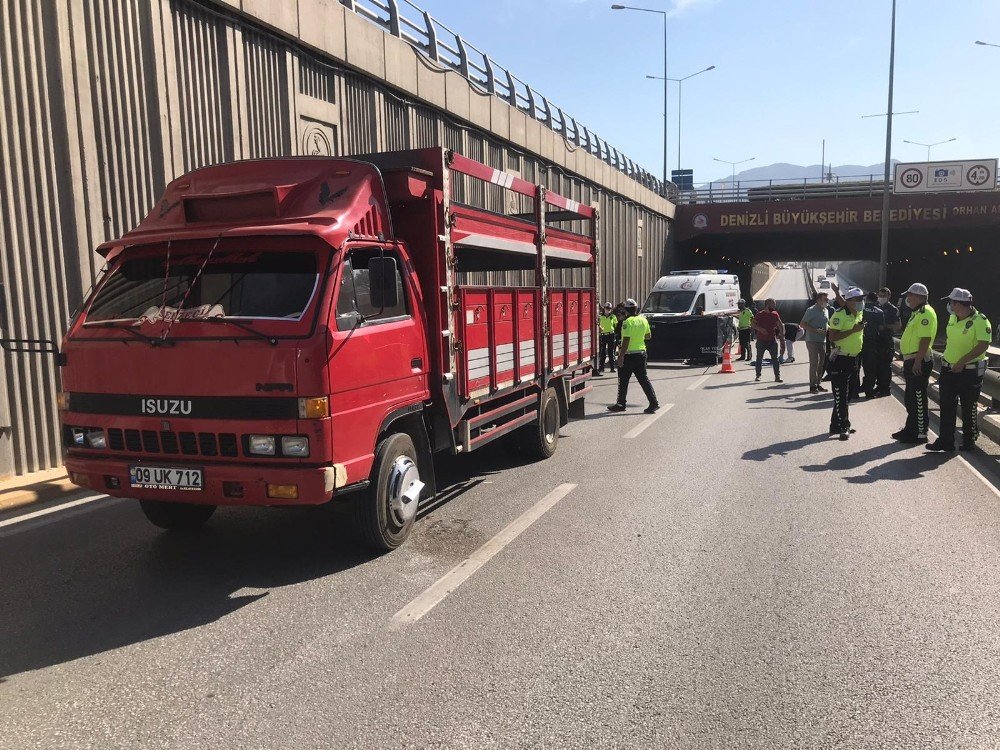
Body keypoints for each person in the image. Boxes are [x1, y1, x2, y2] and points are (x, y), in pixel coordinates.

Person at [927, 288, 992, 452]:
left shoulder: (980, 321)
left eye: (951, 302)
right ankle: (945, 441)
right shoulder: (952, 317)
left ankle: (969, 440)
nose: (949, 305)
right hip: (948, 369)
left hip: (969, 372)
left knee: (968, 406)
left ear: (958, 304)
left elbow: (983, 345)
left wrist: (962, 361)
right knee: (946, 405)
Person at [892, 282, 937, 445]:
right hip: (911, 359)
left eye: (909, 296)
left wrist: (917, 361)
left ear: (919, 297)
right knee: (910, 398)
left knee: (917, 398)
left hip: (919, 360)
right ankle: (910, 429)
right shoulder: (916, 312)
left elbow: (925, 340)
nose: (907, 299)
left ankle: (919, 433)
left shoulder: (925, 313)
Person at [607, 298, 659, 414]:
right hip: (641, 354)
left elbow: (626, 340)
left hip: (629, 355)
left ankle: (621, 403)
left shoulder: (627, 322)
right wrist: (638, 337)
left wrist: (620, 356)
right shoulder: (643, 320)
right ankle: (654, 403)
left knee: (623, 380)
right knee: (643, 380)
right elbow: (648, 336)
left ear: (626, 310)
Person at [827, 287, 865, 440]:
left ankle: (835, 424)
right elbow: (832, 337)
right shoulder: (839, 315)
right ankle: (844, 425)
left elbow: (844, 302)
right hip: (840, 359)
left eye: (862, 299)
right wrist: (853, 330)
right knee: (841, 395)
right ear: (849, 302)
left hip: (854, 358)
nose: (861, 302)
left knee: (848, 395)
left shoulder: (858, 312)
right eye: (857, 300)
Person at [800, 291, 830, 393]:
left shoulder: (826, 310)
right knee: (814, 363)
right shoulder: (811, 310)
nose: (827, 301)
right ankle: (812, 386)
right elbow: (802, 324)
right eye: (825, 299)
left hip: (823, 340)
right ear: (818, 300)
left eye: (827, 299)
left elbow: (827, 324)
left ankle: (818, 383)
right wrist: (815, 330)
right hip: (812, 340)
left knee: (821, 363)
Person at [873, 287, 901, 397]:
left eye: (884, 296)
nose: (881, 298)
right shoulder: (875, 307)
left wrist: (885, 326)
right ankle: (879, 386)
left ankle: (885, 389)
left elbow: (898, 326)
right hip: (875, 341)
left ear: (889, 296)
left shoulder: (893, 309)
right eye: (880, 295)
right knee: (877, 365)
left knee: (885, 366)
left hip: (886, 341)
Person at [859, 291, 887, 398]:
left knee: (855, 367)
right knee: (870, 368)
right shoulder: (879, 312)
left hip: (858, 340)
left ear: (867, 299)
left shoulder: (860, 308)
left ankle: (854, 391)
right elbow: (881, 328)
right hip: (872, 343)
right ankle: (869, 392)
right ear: (876, 300)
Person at [751, 298, 784, 383]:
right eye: (773, 304)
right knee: (759, 358)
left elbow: (780, 324)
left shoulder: (775, 314)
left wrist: (781, 336)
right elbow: (752, 324)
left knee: (775, 359)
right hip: (761, 340)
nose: (775, 306)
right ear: (767, 305)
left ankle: (777, 377)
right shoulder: (759, 314)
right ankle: (758, 375)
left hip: (772, 340)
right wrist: (761, 329)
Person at [597, 302, 617, 375]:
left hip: (611, 335)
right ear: (604, 308)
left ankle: (612, 368)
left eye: (609, 309)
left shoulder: (613, 316)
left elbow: (615, 325)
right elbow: (598, 324)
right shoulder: (600, 317)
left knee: (611, 352)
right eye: (606, 308)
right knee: (602, 352)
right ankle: (601, 367)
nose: (607, 310)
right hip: (603, 335)